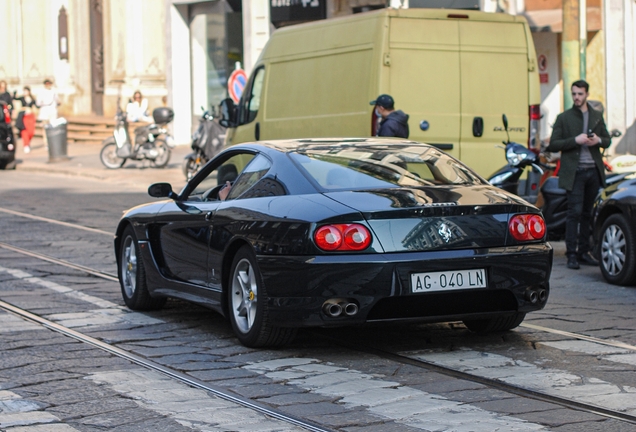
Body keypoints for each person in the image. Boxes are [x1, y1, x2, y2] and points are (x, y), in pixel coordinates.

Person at [546, 80, 611, 270]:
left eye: (580, 94)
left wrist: (598, 140)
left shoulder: (596, 116)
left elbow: (607, 140)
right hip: (574, 173)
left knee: (587, 213)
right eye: (574, 94)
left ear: (587, 95)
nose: (576, 97)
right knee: (573, 213)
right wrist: (575, 140)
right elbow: (554, 144)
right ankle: (571, 255)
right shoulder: (564, 118)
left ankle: (584, 252)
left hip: (593, 171)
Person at [14, 87, 37, 154]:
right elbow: (15, 98)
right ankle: (26, 145)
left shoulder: (32, 99)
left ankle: (28, 142)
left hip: (30, 116)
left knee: (31, 132)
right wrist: (15, 94)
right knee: (24, 131)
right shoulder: (22, 98)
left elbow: (37, 105)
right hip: (24, 116)